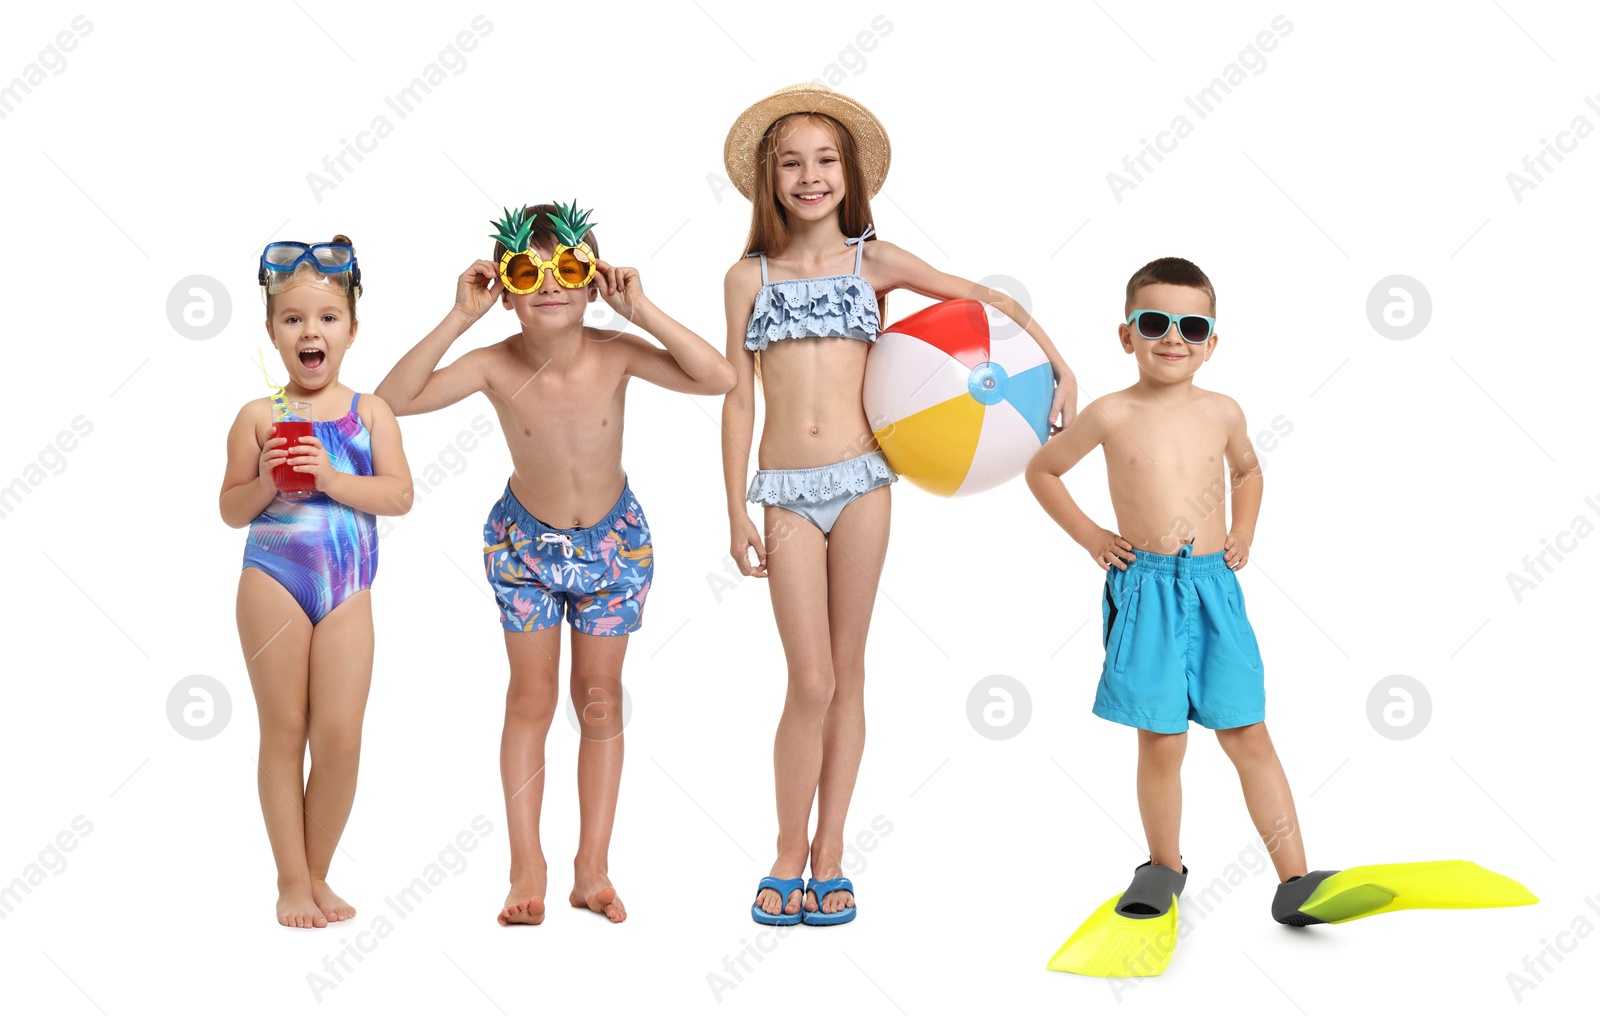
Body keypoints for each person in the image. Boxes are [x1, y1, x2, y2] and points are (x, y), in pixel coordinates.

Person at [1028, 258, 1534, 978]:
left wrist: (1245, 530)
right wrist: (1090, 537)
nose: (1173, 337)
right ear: (1127, 334)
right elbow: (1041, 471)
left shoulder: (1223, 409)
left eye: (1191, 326)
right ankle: (1163, 869)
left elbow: (1249, 469)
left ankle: (1295, 881)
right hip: (1145, 586)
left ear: (1211, 341)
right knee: (1162, 741)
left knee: (1248, 731)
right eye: (1155, 323)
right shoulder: (1111, 412)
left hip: (1213, 587)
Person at [722, 84, 1078, 926]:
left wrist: (1058, 367)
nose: (811, 176)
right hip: (784, 489)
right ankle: (783, 850)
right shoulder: (746, 277)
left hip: (863, 484)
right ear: (769, 181)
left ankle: (831, 852)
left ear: (849, 176)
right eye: (792, 163)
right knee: (807, 680)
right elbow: (738, 398)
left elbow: (993, 303)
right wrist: (733, 505)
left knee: (848, 673)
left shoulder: (873, 263)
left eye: (826, 160)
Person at [376, 201, 735, 924]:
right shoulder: (489, 362)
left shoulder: (617, 351)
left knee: (599, 701)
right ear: (502, 288)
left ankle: (591, 867)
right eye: (526, 272)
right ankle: (525, 865)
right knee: (530, 699)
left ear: (595, 280)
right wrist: (457, 319)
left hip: (613, 544)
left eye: (569, 267)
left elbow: (718, 378)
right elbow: (389, 402)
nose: (550, 285)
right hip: (524, 547)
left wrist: (643, 310)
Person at [220, 236, 414, 928]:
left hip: (349, 588)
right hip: (273, 576)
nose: (312, 331)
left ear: (352, 330)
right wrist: (269, 481)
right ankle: (291, 881)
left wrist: (331, 479)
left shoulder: (371, 414)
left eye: (328, 319)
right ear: (272, 331)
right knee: (286, 727)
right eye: (295, 319)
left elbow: (399, 496)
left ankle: (320, 870)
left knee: (340, 738)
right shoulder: (258, 417)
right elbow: (228, 510)